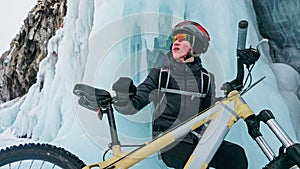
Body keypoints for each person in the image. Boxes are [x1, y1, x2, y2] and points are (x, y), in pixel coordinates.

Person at [112, 20, 248, 169]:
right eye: (174, 39)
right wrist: (124, 95)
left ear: (196, 46)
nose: (176, 43)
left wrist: (228, 94)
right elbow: (134, 105)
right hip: (169, 142)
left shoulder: (206, 79)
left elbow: (210, 111)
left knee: (235, 155)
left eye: (183, 38)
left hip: (197, 138)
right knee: (196, 161)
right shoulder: (160, 75)